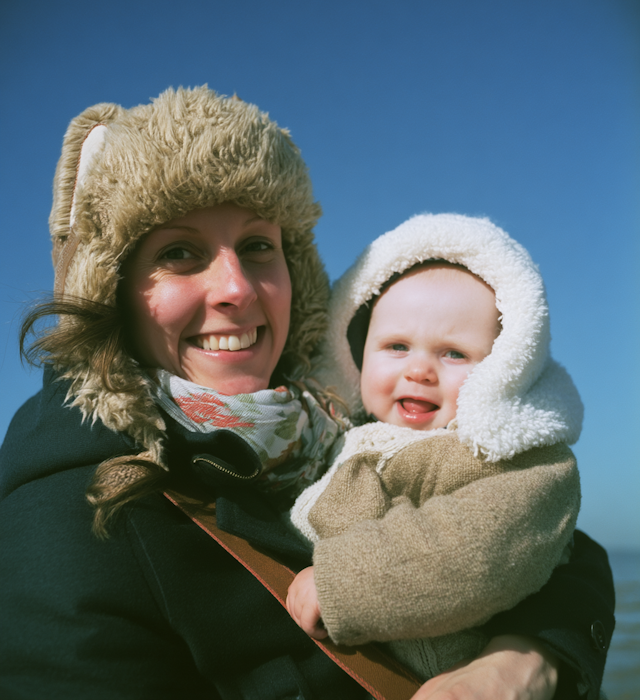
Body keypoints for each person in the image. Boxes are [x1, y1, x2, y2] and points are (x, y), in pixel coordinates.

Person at [0, 87, 613, 699]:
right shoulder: (75, 510)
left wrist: (526, 658)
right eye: (179, 252)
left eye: (257, 246)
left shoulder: (321, 428)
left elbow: (545, 532)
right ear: (108, 287)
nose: (237, 288)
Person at [287, 215, 583, 680]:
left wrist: (343, 582)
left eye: (454, 353)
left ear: (505, 368)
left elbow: (479, 547)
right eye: (397, 346)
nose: (419, 370)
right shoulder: (327, 434)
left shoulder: (513, 461)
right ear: (356, 354)